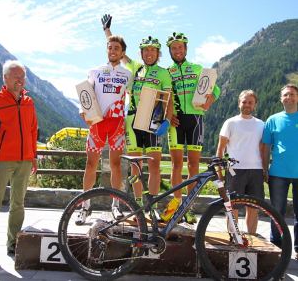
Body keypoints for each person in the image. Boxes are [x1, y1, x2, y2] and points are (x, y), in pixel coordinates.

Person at [102, 15, 172, 218]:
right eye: (146, 50)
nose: (149, 53)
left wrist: (167, 120)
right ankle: (139, 205)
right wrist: (107, 31)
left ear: (158, 54)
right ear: (141, 53)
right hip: (133, 120)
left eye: (153, 50)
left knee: (154, 165)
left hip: (153, 121)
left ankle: (153, 207)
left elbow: (167, 98)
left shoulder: (164, 73)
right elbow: (117, 50)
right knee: (136, 166)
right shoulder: (135, 67)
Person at [160, 32, 220, 224]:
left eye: (180, 47)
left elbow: (215, 88)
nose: (177, 51)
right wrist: (168, 116)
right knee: (177, 165)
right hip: (176, 121)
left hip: (195, 119)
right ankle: (176, 204)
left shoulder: (197, 68)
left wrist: (211, 98)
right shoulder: (166, 72)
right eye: (174, 48)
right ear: (170, 51)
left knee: (193, 165)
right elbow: (161, 96)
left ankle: (189, 207)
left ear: (186, 49)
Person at [75, 33, 133, 224]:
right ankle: (85, 207)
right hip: (98, 123)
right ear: (107, 49)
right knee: (91, 165)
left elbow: (134, 98)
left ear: (122, 52)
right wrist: (83, 111)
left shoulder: (127, 74)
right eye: (110, 47)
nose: (112, 50)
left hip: (116, 123)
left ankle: (116, 206)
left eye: (116, 48)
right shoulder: (95, 71)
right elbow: (86, 93)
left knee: (116, 166)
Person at [0, 60, 38, 255]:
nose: (20, 80)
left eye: (22, 77)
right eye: (16, 77)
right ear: (5, 78)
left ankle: (12, 243)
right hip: (1, 159)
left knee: (18, 204)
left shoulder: (29, 102)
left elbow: (32, 130)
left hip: (24, 160)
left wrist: (33, 156)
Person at [216, 90, 265, 233]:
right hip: (235, 170)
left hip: (256, 171)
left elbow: (263, 149)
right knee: (233, 207)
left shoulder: (261, 124)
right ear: (239, 103)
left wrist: (264, 169)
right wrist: (219, 172)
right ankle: (233, 237)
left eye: (250, 102)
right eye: (244, 102)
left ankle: (252, 237)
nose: (247, 105)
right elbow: (220, 149)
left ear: (255, 105)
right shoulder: (230, 122)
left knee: (253, 207)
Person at [262, 84, 298, 257]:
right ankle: (276, 247)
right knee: (277, 212)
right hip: (277, 173)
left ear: (297, 97)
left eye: (292, 94)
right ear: (280, 98)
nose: (289, 97)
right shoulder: (273, 119)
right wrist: (264, 167)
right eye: (285, 95)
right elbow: (266, 146)